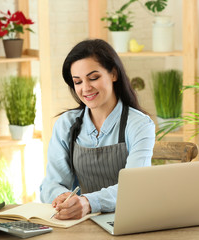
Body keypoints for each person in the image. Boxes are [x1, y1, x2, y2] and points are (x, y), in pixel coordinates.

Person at [40, 39, 155, 220]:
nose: (86, 88)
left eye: (93, 78)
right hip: (81, 223)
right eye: (77, 82)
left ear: (114, 74)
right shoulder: (65, 125)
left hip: (130, 221)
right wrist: (61, 197)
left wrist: (88, 202)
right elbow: (51, 183)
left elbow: (134, 187)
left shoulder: (139, 125)